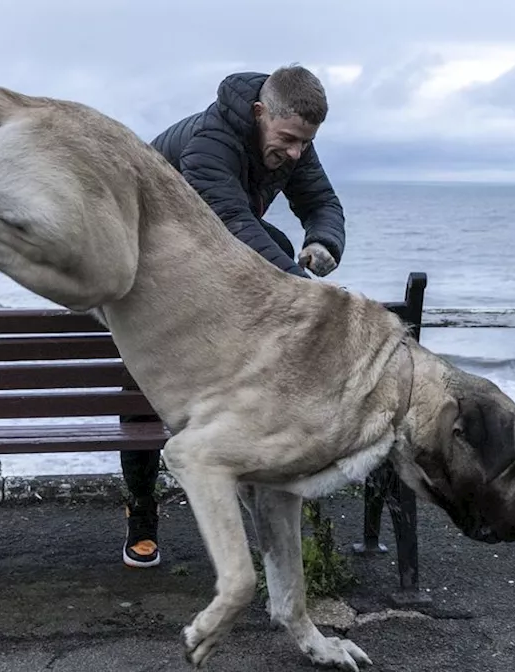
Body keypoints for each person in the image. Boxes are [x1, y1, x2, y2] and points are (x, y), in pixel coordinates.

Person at [118, 64, 348, 568]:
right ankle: (141, 513)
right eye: (288, 140)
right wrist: (301, 290)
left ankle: (260, 488)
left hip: (206, 260)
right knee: (142, 393)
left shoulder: (292, 140)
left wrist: (323, 241)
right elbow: (231, 222)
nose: (295, 153)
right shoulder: (208, 143)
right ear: (260, 113)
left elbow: (320, 200)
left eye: (304, 144)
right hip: (146, 260)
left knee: (282, 253)